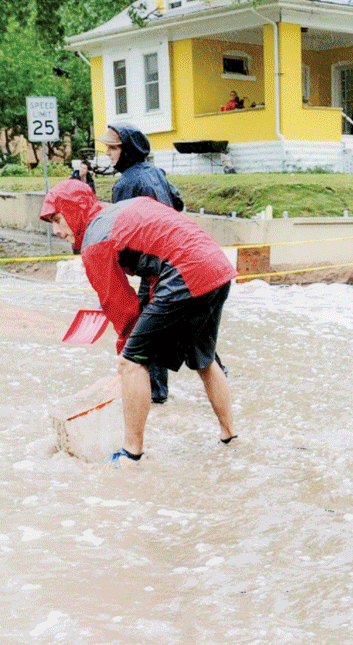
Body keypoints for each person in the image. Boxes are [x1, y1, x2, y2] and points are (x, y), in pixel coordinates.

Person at [39, 179, 237, 462]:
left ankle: (131, 454)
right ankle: (230, 435)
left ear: (75, 211)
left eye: (58, 219)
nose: (57, 230)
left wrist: (129, 357)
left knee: (132, 361)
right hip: (217, 267)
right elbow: (157, 263)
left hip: (185, 273)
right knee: (204, 359)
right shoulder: (120, 211)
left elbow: (122, 310)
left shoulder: (95, 242)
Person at [103, 122, 184, 404]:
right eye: (107, 147)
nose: (108, 154)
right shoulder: (156, 172)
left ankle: (155, 392)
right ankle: (219, 370)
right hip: (177, 260)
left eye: (113, 148)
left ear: (128, 150)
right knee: (185, 323)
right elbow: (178, 203)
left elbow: (119, 231)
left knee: (147, 329)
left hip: (155, 269)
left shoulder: (125, 183)